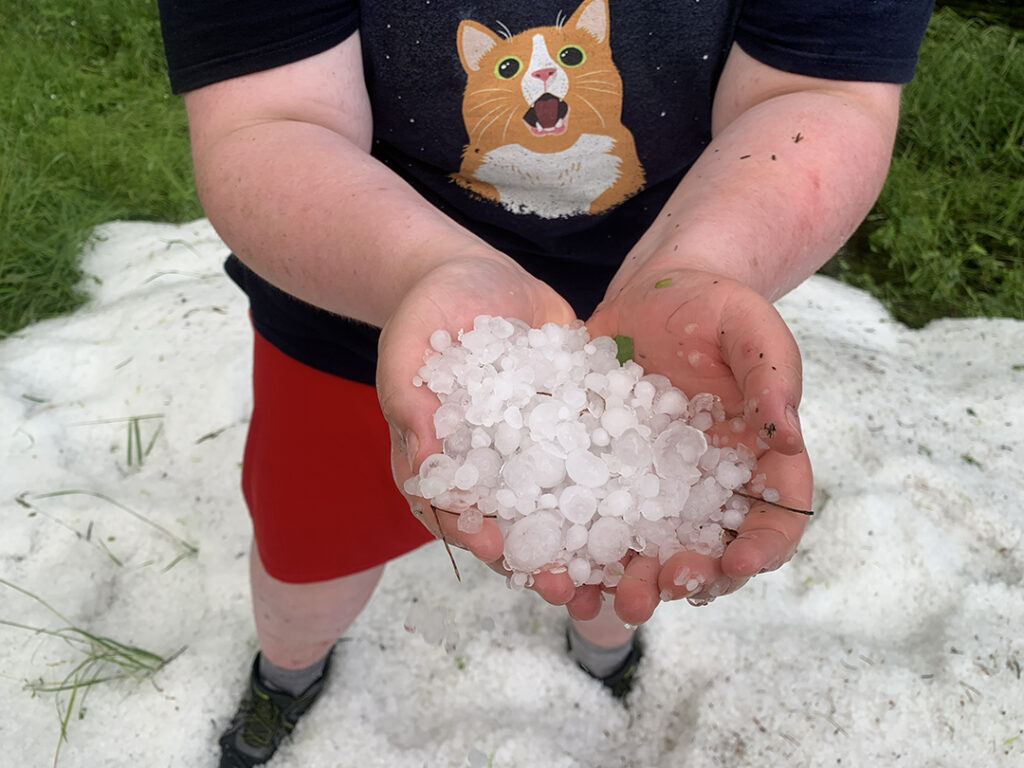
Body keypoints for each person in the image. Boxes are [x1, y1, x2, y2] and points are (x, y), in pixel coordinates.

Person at [156, 1, 934, 765]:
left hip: (666, 314)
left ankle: (604, 647)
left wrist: (700, 267)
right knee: (311, 547)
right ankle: (289, 670)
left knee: (625, 557)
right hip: (348, 285)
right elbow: (268, 120)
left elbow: (818, 94)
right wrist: (431, 269)